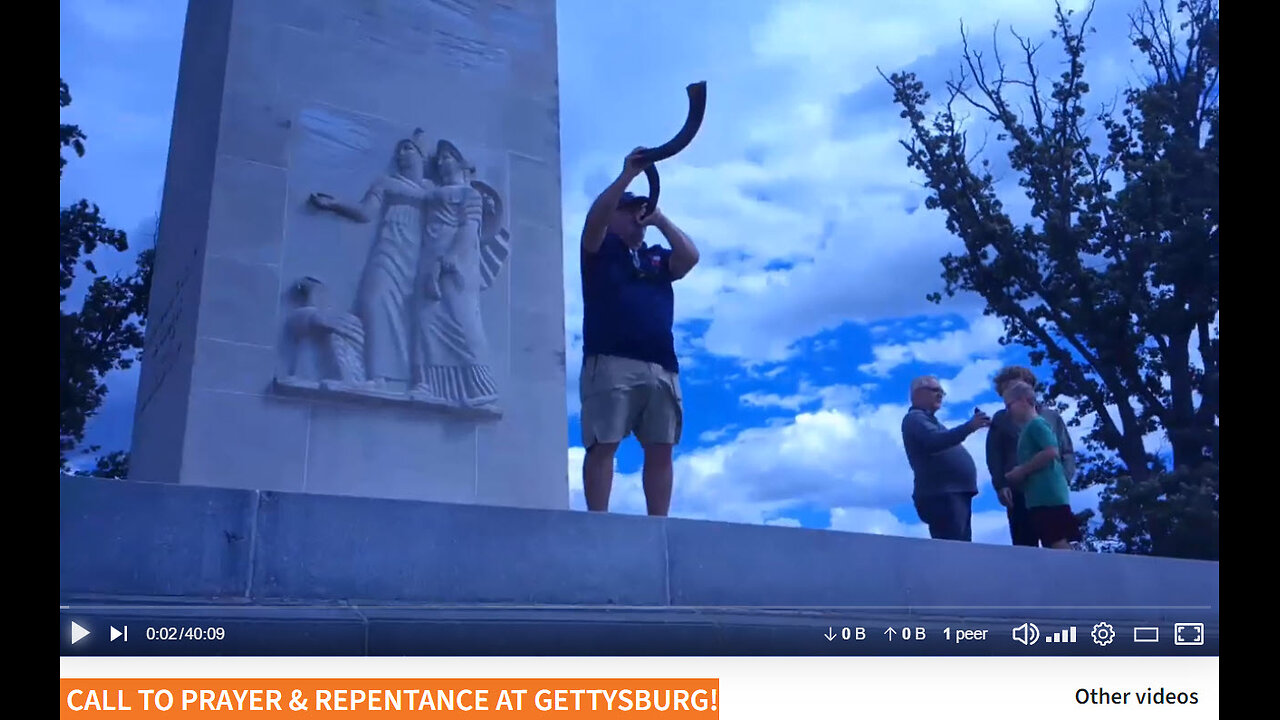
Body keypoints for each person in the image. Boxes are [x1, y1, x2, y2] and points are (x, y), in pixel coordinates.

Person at [578, 147, 700, 516]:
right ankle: (598, 522)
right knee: (604, 444)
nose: (636, 217)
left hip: (661, 366)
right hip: (611, 360)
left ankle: (658, 527)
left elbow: (690, 257)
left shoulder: (656, 258)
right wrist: (628, 175)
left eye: (640, 211)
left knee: (661, 448)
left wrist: (659, 219)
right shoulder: (600, 248)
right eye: (629, 211)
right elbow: (594, 221)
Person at [308, 132, 430, 387]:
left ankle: (417, 379)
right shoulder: (386, 182)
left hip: (417, 258)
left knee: (412, 314)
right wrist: (336, 203)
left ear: (421, 155)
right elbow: (366, 213)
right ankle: (379, 376)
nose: (401, 154)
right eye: (399, 149)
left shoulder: (432, 190)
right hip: (389, 249)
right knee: (374, 301)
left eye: (408, 148)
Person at [985, 366, 1076, 547]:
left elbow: (1065, 451)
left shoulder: (1050, 417)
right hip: (1019, 492)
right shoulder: (1001, 419)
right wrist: (1001, 485)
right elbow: (994, 455)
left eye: (1014, 387)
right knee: (1024, 546)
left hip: (1049, 491)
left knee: (1057, 541)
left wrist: (1064, 478)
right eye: (1005, 392)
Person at [901, 375, 990, 541]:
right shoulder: (915, 418)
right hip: (941, 494)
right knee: (953, 549)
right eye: (935, 390)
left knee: (959, 547)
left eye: (942, 392)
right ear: (917, 393)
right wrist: (970, 427)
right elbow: (935, 441)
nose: (940, 394)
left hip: (951, 493)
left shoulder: (928, 420)